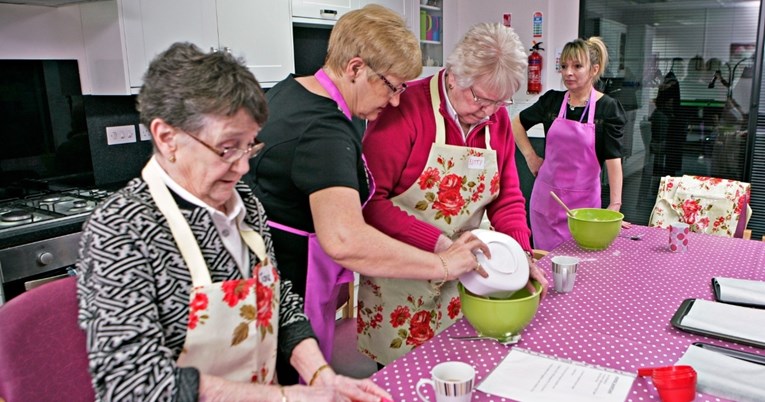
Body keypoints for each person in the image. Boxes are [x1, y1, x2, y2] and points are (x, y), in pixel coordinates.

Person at [76, 42, 392, 402]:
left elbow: (278, 300)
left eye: (249, 147)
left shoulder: (246, 207)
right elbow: (135, 384)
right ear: (167, 138)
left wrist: (322, 374)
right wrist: (285, 398)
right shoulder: (121, 229)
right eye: (227, 148)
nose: (242, 167)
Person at [247, 4, 490, 383]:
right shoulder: (323, 130)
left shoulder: (290, 91)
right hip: (295, 276)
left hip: (275, 273)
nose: (394, 101)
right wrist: (443, 265)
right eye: (391, 86)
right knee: (293, 383)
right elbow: (346, 238)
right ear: (356, 68)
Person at [358, 22, 549, 365]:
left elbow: (506, 197)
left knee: (462, 370)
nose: (489, 112)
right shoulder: (403, 108)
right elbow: (371, 202)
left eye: (501, 102)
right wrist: (442, 247)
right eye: (480, 98)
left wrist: (521, 255)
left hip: (468, 277)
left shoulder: (496, 119)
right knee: (406, 380)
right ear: (454, 75)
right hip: (402, 276)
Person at [512, 37, 627, 251]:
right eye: (563, 66)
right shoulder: (552, 102)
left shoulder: (607, 109)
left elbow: (613, 160)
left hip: (584, 209)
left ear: (594, 69)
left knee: (581, 266)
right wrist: (531, 157)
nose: (568, 72)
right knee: (545, 264)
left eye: (576, 66)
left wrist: (614, 205)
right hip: (545, 202)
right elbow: (516, 123)